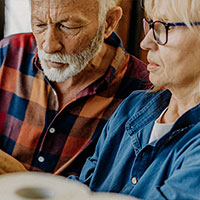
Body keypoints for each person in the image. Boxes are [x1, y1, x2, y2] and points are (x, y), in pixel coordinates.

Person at [0, 0, 150, 176]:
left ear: (108, 23)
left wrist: (20, 176)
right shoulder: (8, 53)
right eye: (39, 24)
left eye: (67, 27)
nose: (48, 46)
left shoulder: (145, 93)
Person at [69, 0, 200, 199]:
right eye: (150, 24)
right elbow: (83, 189)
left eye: (164, 26)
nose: (145, 43)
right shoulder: (133, 107)